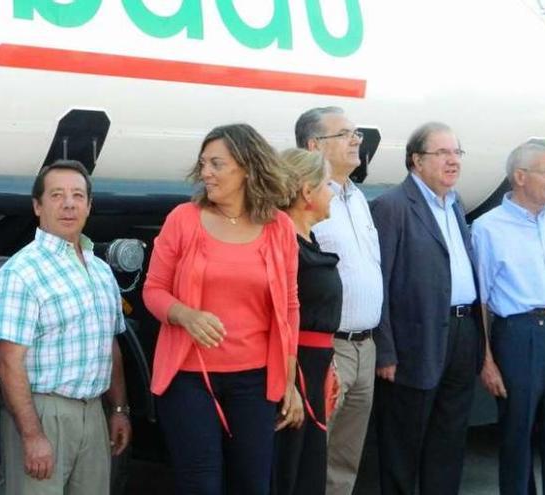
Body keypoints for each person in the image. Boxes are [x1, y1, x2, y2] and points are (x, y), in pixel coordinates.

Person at [143, 123, 302, 495]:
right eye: (203, 164)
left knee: (253, 485)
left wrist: (290, 384)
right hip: (189, 379)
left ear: (246, 168)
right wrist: (186, 315)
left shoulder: (279, 227)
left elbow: (290, 309)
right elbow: (153, 290)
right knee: (201, 484)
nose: (206, 173)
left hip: (255, 382)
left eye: (216, 164)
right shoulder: (182, 219)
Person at [0, 159, 131, 495]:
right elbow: (9, 361)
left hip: (93, 414)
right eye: (56, 195)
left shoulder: (100, 270)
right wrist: (32, 435)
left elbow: (110, 346)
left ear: (89, 205)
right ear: (37, 206)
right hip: (43, 412)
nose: (69, 204)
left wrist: (119, 409)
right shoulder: (22, 272)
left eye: (77, 195)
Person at [369, 122, 482, 494]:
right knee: (403, 445)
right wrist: (385, 351)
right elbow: (379, 285)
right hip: (414, 343)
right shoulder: (392, 206)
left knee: (448, 440)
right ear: (416, 160)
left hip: (462, 335)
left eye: (457, 153)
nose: (453, 161)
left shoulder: (455, 203)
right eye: (443, 153)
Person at [472, 141, 545, 495]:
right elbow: (482, 301)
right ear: (520, 177)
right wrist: (486, 361)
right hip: (519, 335)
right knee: (517, 433)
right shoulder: (488, 228)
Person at [296, 106, 382, 495]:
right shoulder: (305, 199)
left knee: (345, 461)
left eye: (356, 134)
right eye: (345, 134)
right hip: (328, 348)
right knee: (312, 455)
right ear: (314, 145)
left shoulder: (358, 198)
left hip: (366, 347)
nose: (356, 140)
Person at [273, 148, 340, 495]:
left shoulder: (308, 241)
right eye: (327, 184)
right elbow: (280, 317)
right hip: (296, 370)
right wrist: (291, 385)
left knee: (309, 468)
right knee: (290, 469)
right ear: (307, 192)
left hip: (316, 369)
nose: (333, 192)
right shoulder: (284, 243)